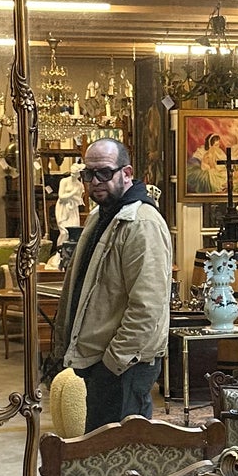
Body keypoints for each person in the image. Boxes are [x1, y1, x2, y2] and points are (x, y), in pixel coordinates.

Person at [49, 139, 172, 431]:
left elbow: (148, 307)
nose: (95, 182)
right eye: (88, 175)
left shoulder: (142, 222)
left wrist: (113, 362)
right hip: (100, 359)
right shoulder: (102, 214)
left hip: (124, 364)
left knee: (122, 458)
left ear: (126, 173)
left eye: (104, 172)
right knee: (99, 450)